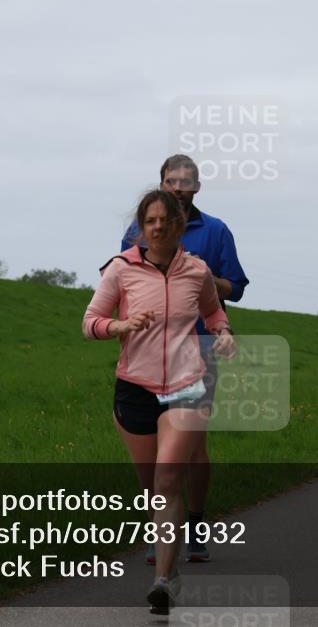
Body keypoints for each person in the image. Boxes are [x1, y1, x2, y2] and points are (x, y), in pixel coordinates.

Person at [84, 190, 236, 614]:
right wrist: (121, 325)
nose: (157, 227)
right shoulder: (120, 269)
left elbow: (214, 313)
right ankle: (172, 564)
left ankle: (163, 581)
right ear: (141, 227)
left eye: (165, 221)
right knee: (152, 487)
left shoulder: (197, 271)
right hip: (135, 385)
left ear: (178, 225)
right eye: (149, 221)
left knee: (168, 480)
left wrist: (223, 333)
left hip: (187, 383)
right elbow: (89, 322)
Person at [122, 154, 249, 564]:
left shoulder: (215, 231)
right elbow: (123, 282)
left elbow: (236, 289)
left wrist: (194, 273)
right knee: (154, 450)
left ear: (197, 188)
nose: (178, 187)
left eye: (186, 181)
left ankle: (194, 522)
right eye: (171, 180)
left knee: (192, 449)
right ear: (160, 183)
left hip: (199, 349)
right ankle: (160, 531)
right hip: (146, 354)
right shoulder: (138, 228)